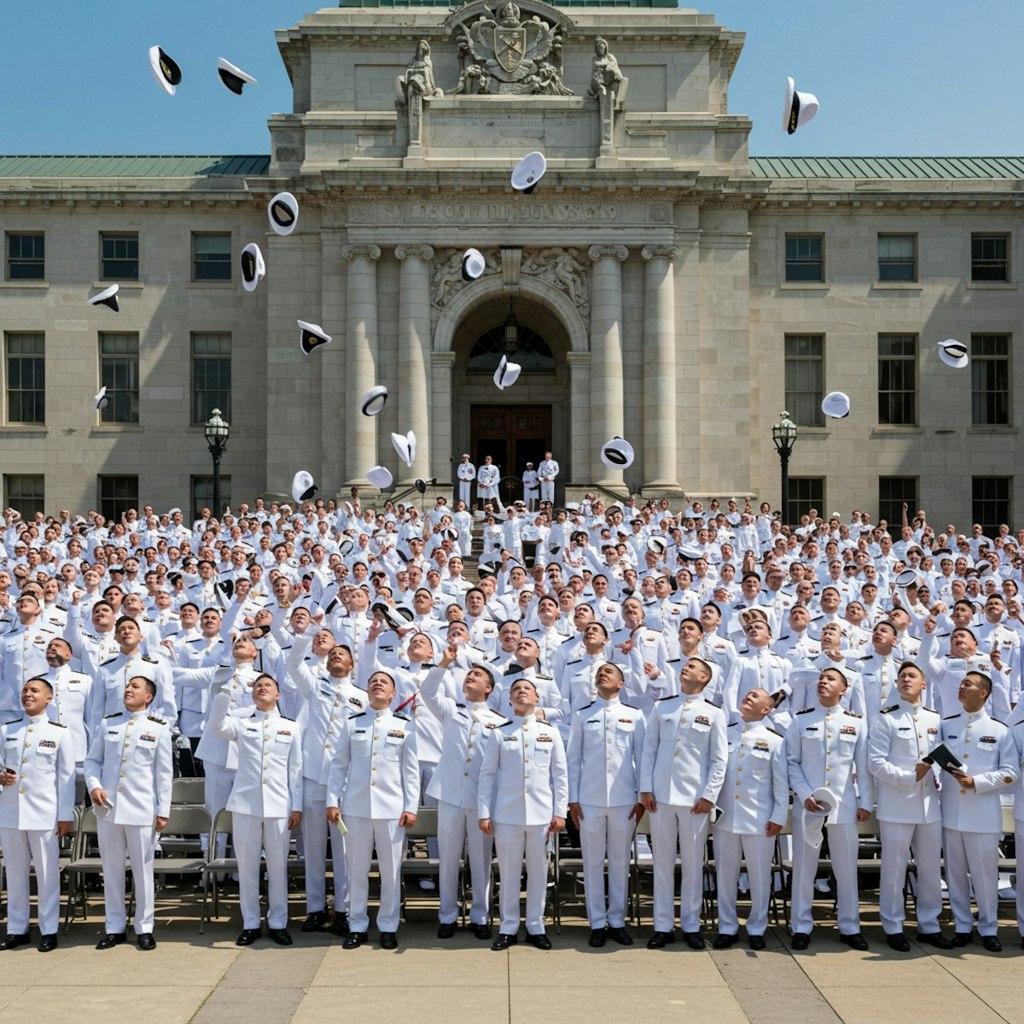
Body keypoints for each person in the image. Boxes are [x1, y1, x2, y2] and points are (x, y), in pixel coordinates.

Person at [639, 656, 727, 949]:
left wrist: (709, 795)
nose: (685, 668)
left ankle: (691, 925)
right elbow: (649, 749)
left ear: (704, 678)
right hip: (662, 797)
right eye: (685, 666)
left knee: (692, 865)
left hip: (694, 799)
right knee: (662, 864)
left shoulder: (713, 713)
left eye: (693, 667)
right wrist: (646, 788)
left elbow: (719, 759)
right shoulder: (662, 707)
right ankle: (662, 925)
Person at [327, 670, 419, 950]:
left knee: (391, 872)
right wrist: (332, 800)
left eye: (384, 682)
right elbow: (338, 765)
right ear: (366, 691)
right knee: (356, 870)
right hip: (356, 808)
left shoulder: (405, 726)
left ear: (393, 693)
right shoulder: (352, 723)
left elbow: (411, 771)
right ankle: (357, 925)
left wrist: (411, 806)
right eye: (373, 682)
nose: (377, 684)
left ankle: (388, 925)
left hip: (392, 809)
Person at [210, 673, 303, 947]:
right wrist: (225, 690)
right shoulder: (242, 723)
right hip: (245, 805)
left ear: (278, 694)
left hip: (279, 805)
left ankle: (278, 923)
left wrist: (296, 806)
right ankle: (250, 923)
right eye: (258, 685)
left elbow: (296, 770)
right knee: (247, 867)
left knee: (277, 868)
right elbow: (216, 725)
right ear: (252, 694)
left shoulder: (290, 727)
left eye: (268, 685)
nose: (263, 688)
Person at [421, 646, 507, 939]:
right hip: (450, 795)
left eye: (477, 675)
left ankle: (479, 916)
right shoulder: (451, 709)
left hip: (481, 800)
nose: (471, 677)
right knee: (448, 859)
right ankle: (447, 915)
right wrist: (444, 663)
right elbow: (428, 691)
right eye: (469, 674)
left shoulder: (499, 721)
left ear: (489, 688)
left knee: (480, 861)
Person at [785, 667, 873, 951]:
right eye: (821, 678)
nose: (823, 682)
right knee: (804, 868)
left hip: (843, 806)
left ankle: (850, 926)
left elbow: (863, 766)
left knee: (846, 868)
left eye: (831, 679)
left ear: (844, 690)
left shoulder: (855, 723)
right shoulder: (801, 720)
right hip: (808, 805)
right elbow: (791, 762)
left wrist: (865, 801)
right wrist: (804, 794)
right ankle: (801, 925)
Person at [85, 674, 173, 951]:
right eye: (127, 686)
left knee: (143, 872)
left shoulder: (158, 728)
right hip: (109, 809)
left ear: (148, 697)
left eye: (135, 686)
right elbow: (92, 760)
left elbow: (164, 773)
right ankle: (114, 927)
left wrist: (163, 810)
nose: (128, 689)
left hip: (141, 809)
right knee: (111, 871)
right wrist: (94, 786)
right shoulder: (108, 723)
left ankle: (144, 927)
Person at [867, 662, 951, 951]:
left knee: (930, 869)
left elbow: (941, 756)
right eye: (901, 676)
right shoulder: (886, 718)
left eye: (912, 676)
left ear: (923, 684)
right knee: (894, 869)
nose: (905, 679)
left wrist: (938, 776)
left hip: (929, 805)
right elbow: (875, 763)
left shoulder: (934, 718)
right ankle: (893, 925)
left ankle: (929, 924)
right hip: (897, 805)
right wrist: (908, 777)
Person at [479, 677, 568, 950]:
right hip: (507, 814)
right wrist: (484, 812)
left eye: (526, 689)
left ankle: (535, 926)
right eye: (515, 690)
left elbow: (560, 775)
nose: (521, 693)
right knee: (509, 873)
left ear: (537, 697)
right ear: (509, 699)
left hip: (541, 814)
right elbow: (487, 775)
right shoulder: (499, 732)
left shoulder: (549, 732)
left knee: (539, 872)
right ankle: (508, 927)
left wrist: (560, 811)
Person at [566, 663, 645, 947]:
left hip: (625, 800)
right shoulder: (582, 715)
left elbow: (642, 758)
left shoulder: (635, 716)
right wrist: (572, 799)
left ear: (621, 684)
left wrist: (641, 797)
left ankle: (617, 920)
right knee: (592, 863)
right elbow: (573, 760)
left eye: (609, 672)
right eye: (600, 672)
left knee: (620, 861)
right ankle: (597, 922)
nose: (603, 674)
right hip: (589, 800)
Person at [939, 670, 1018, 951]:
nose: (961, 687)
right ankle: (962, 925)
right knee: (955, 875)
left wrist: (977, 782)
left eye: (968, 684)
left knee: (985, 877)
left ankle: (988, 928)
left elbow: (1010, 772)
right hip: (952, 811)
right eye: (961, 683)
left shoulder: (999, 730)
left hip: (983, 815)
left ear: (983, 693)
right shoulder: (946, 725)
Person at [0, 678, 76, 952]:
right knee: (15, 874)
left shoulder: (59, 733)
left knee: (47, 874)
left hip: (44, 813)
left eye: (34, 690)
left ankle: (48, 929)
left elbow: (66, 777)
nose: (28, 694)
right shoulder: (7, 729)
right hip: (11, 813)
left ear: (48, 698)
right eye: (25, 690)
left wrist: (65, 815)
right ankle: (17, 929)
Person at [712, 687, 788, 951]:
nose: (748, 697)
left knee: (759, 877)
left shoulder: (774, 740)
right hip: (726, 816)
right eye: (747, 694)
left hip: (759, 819)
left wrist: (779, 816)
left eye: (755, 696)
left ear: (766, 709)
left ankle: (757, 927)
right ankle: (727, 927)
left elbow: (780, 783)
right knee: (725, 876)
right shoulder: (725, 733)